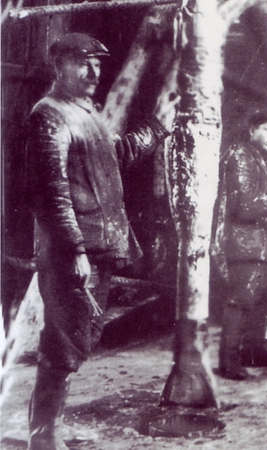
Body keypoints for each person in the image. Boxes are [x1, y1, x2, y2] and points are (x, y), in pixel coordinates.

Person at [24, 33, 171, 449]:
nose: (93, 72)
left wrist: (156, 128)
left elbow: (114, 159)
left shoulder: (86, 112)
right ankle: (44, 436)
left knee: (77, 340)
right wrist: (74, 251)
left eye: (97, 64)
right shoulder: (49, 115)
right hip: (73, 252)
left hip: (96, 248)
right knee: (63, 343)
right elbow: (52, 193)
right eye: (82, 63)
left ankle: (48, 429)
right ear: (59, 67)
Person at [211, 111, 267, 380]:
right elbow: (245, 205)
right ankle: (229, 361)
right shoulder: (241, 156)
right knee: (240, 301)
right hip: (245, 243)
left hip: (261, 244)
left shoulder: (261, 159)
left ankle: (254, 352)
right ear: (252, 130)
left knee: (260, 300)